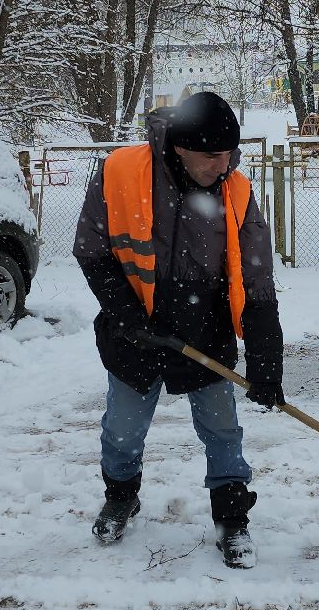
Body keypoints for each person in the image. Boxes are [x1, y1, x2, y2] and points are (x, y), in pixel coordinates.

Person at [74, 92, 284, 569]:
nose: (222, 164)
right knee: (122, 431)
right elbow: (92, 250)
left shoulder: (236, 191)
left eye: (229, 152)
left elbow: (256, 281)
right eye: (211, 154)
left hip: (204, 327)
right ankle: (121, 494)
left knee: (221, 428)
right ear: (180, 148)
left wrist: (267, 364)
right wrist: (129, 316)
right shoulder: (120, 173)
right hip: (135, 330)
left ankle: (231, 517)